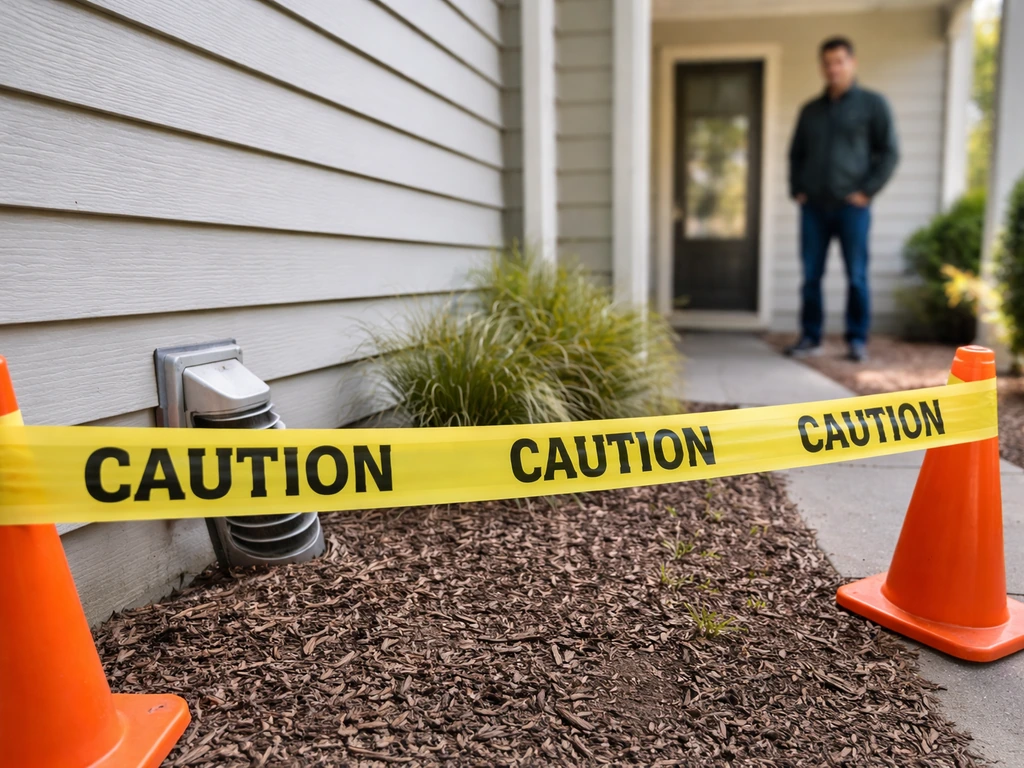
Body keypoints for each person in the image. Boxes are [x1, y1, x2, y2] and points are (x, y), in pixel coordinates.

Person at [786, 36, 899, 362]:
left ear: (852, 63)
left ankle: (857, 340)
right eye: (827, 62)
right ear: (822, 66)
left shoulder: (873, 105)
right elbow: (796, 155)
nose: (833, 68)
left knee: (857, 275)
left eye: (839, 61)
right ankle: (810, 336)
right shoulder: (810, 111)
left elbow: (890, 152)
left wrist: (868, 191)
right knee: (810, 276)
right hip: (814, 209)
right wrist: (797, 189)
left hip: (853, 208)